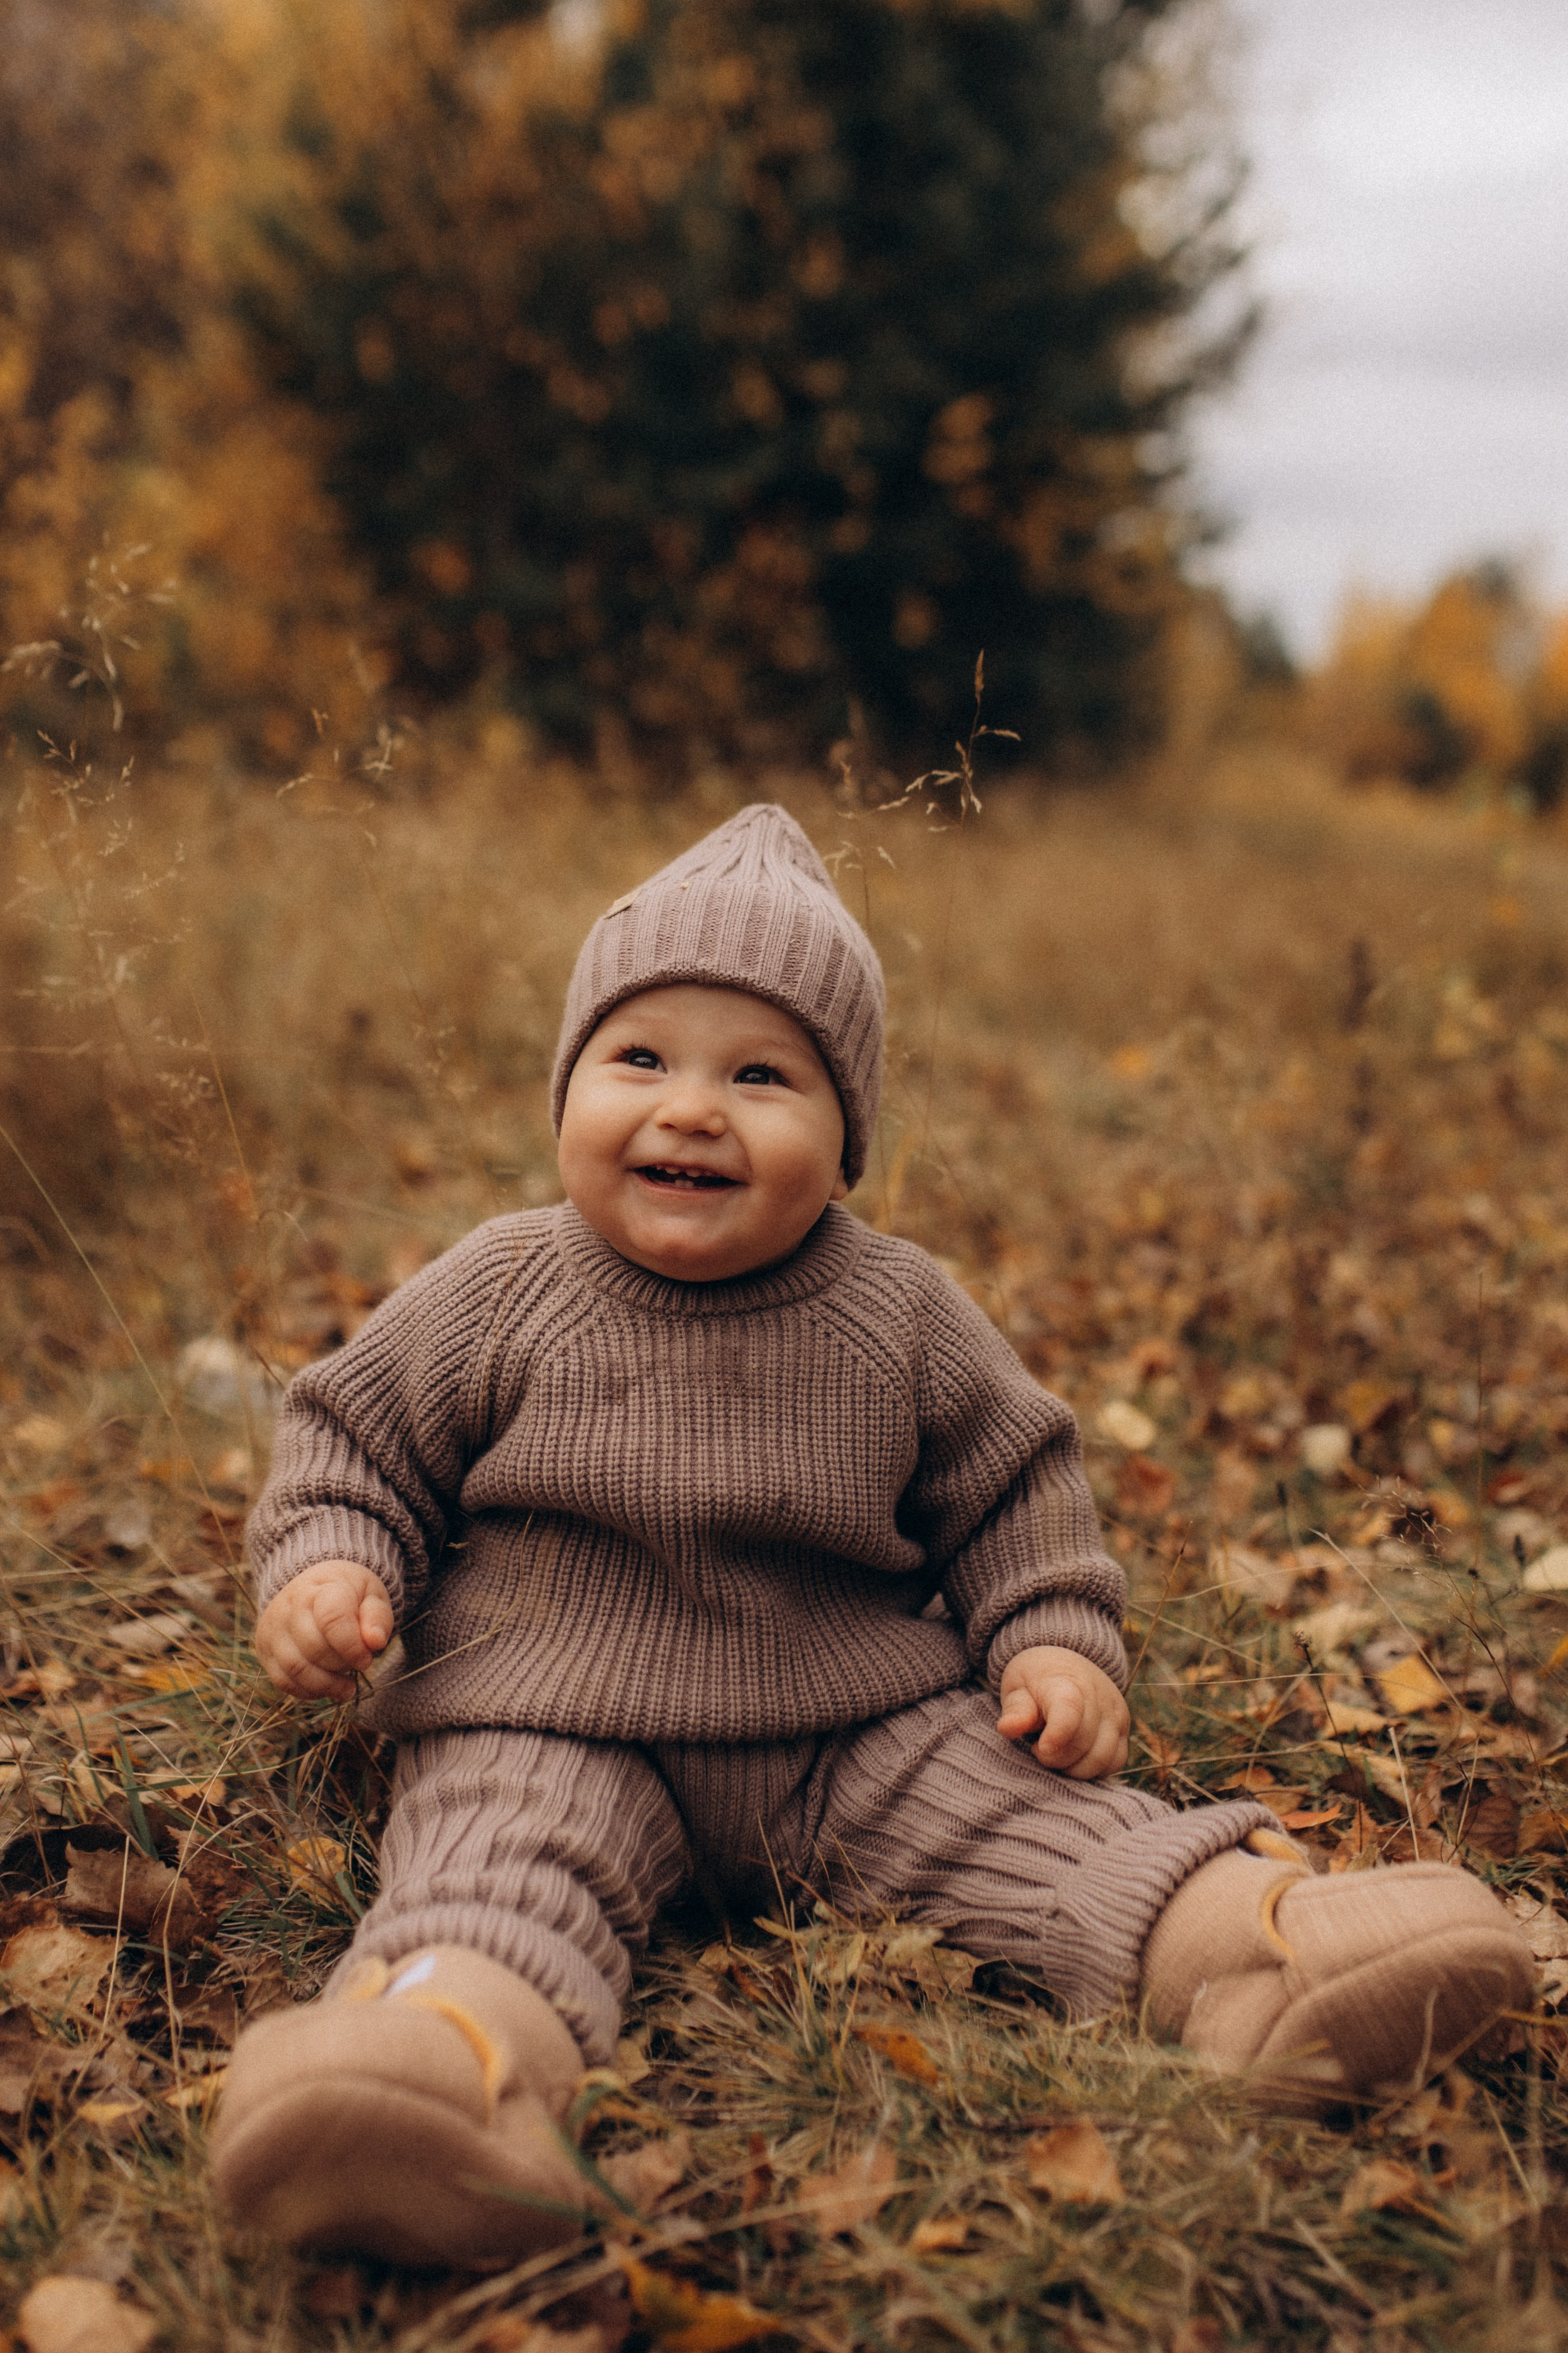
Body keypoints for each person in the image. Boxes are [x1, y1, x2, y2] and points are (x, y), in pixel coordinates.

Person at [211, 805, 1532, 2264]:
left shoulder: (897, 1311)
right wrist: (331, 1567)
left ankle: (1255, 1954)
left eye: (761, 1075)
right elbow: (355, 1440)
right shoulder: (501, 1281)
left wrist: (1053, 1643)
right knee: (490, 1874)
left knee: (1037, 1823)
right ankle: (444, 2069)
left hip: (850, 1725)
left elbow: (1015, 1490)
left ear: (847, 1141)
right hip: (545, 1712)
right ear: (566, 1085)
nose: (692, 1106)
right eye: (639, 1056)